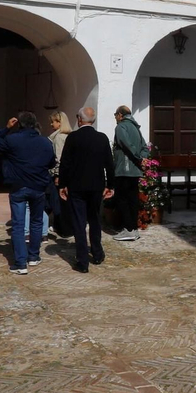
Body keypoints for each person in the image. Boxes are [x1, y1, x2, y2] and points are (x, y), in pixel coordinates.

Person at [0, 110, 57, 274]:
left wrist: (6, 128)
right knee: (36, 222)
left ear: (18, 124)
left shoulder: (12, 140)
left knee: (19, 225)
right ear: (35, 124)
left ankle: (20, 263)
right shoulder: (45, 142)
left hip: (18, 186)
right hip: (38, 186)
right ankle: (33, 256)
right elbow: (51, 163)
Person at [57, 107, 115, 272]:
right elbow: (109, 164)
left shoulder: (73, 138)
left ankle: (82, 261)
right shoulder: (102, 138)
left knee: (79, 222)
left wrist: (62, 185)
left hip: (77, 186)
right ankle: (97, 253)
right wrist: (110, 185)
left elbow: (65, 163)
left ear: (79, 119)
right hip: (96, 186)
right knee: (95, 219)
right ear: (93, 121)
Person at [111, 105, 148, 242]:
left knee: (122, 199)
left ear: (120, 115)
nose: (115, 117)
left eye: (115, 114)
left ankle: (129, 229)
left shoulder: (121, 127)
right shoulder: (136, 128)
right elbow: (145, 147)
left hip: (124, 169)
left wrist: (138, 157)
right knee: (133, 199)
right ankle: (133, 228)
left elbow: (126, 145)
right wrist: (142, 158)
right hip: (135, 170)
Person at [44, 110, 71, 239]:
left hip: (58, 174)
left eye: (53, 121)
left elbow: (59, 158)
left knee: (56, 202)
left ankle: (61, 227)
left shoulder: (59, 137)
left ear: (59, 122)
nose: (51, 124)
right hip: (65, 174)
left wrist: (57, 176)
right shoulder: (66, 136)